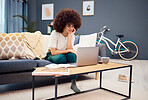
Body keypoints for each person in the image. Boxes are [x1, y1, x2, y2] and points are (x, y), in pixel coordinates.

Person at [45, 8, 81, 93]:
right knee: (61, 58)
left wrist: (69, 35)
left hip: (63, 54)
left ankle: (73, 83)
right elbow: (53, 52)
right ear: (63, 25)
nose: (71, 28)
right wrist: (70, 51)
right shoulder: (55, 33)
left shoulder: (71, 35)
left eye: (72, 26)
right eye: (69, 26)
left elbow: (69, 49)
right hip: (52, 55)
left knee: (72, 56)